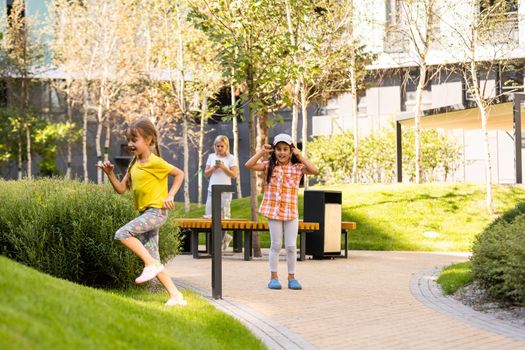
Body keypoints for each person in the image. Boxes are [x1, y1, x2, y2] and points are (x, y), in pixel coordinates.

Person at [97, 118, 186, 307]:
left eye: (134, 140)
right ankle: (176, 296)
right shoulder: (134, 164)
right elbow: (121, 189)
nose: (130, 144)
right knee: (153, 257)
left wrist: (170, 195)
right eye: (128, 140)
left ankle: (150, 265)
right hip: (146, 213)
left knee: (122, 233)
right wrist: (110, 174)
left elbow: (180, 174)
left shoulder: (156, 162)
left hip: (156, 212)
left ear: (148, 140)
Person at [245, 133, 318, 290]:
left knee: (291, 246)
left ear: (291, 151)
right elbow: (248, 165)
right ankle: (274, 277)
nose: (282, 152)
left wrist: (300, 154)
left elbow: (314, 170)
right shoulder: (269, 166)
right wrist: (262, 152)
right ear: (274, 150)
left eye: (286, 149)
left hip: (291, 212)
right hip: (274, 212)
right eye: (279, 149)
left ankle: (292, 278)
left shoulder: (297, 168)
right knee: (276, 245)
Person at [203, 135, 239, 250]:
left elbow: (234, 175)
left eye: (221, 146)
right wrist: (213, 168)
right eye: (217, 146)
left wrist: (223, 167)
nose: (219, 148)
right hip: (211, 190)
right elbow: (206, 173)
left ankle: (221, 241)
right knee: (209, 216)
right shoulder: (211, 157)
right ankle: (218, 241)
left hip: (225, 191)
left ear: (226, 146)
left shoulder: (231, 158)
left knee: (224, 217)